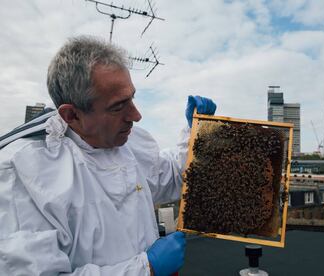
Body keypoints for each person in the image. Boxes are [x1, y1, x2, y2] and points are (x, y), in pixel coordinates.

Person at [0, 36, 216, 275]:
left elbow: (172, 176)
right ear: (71, 115)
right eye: (118, 106)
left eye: (132, 98)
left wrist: (196, 134)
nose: (136, 115)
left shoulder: (129, 142)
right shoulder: (24, 175)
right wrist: (147, 269)